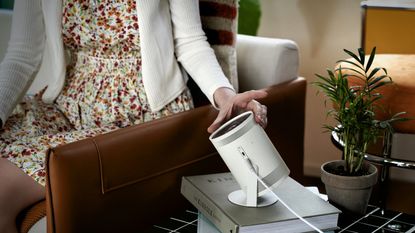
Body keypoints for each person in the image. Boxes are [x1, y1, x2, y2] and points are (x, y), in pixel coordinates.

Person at [0, 0, 268, 232]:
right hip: (66, 105)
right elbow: (23, 55)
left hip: (141, 116)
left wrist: (226, 96)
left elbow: (190, 42)